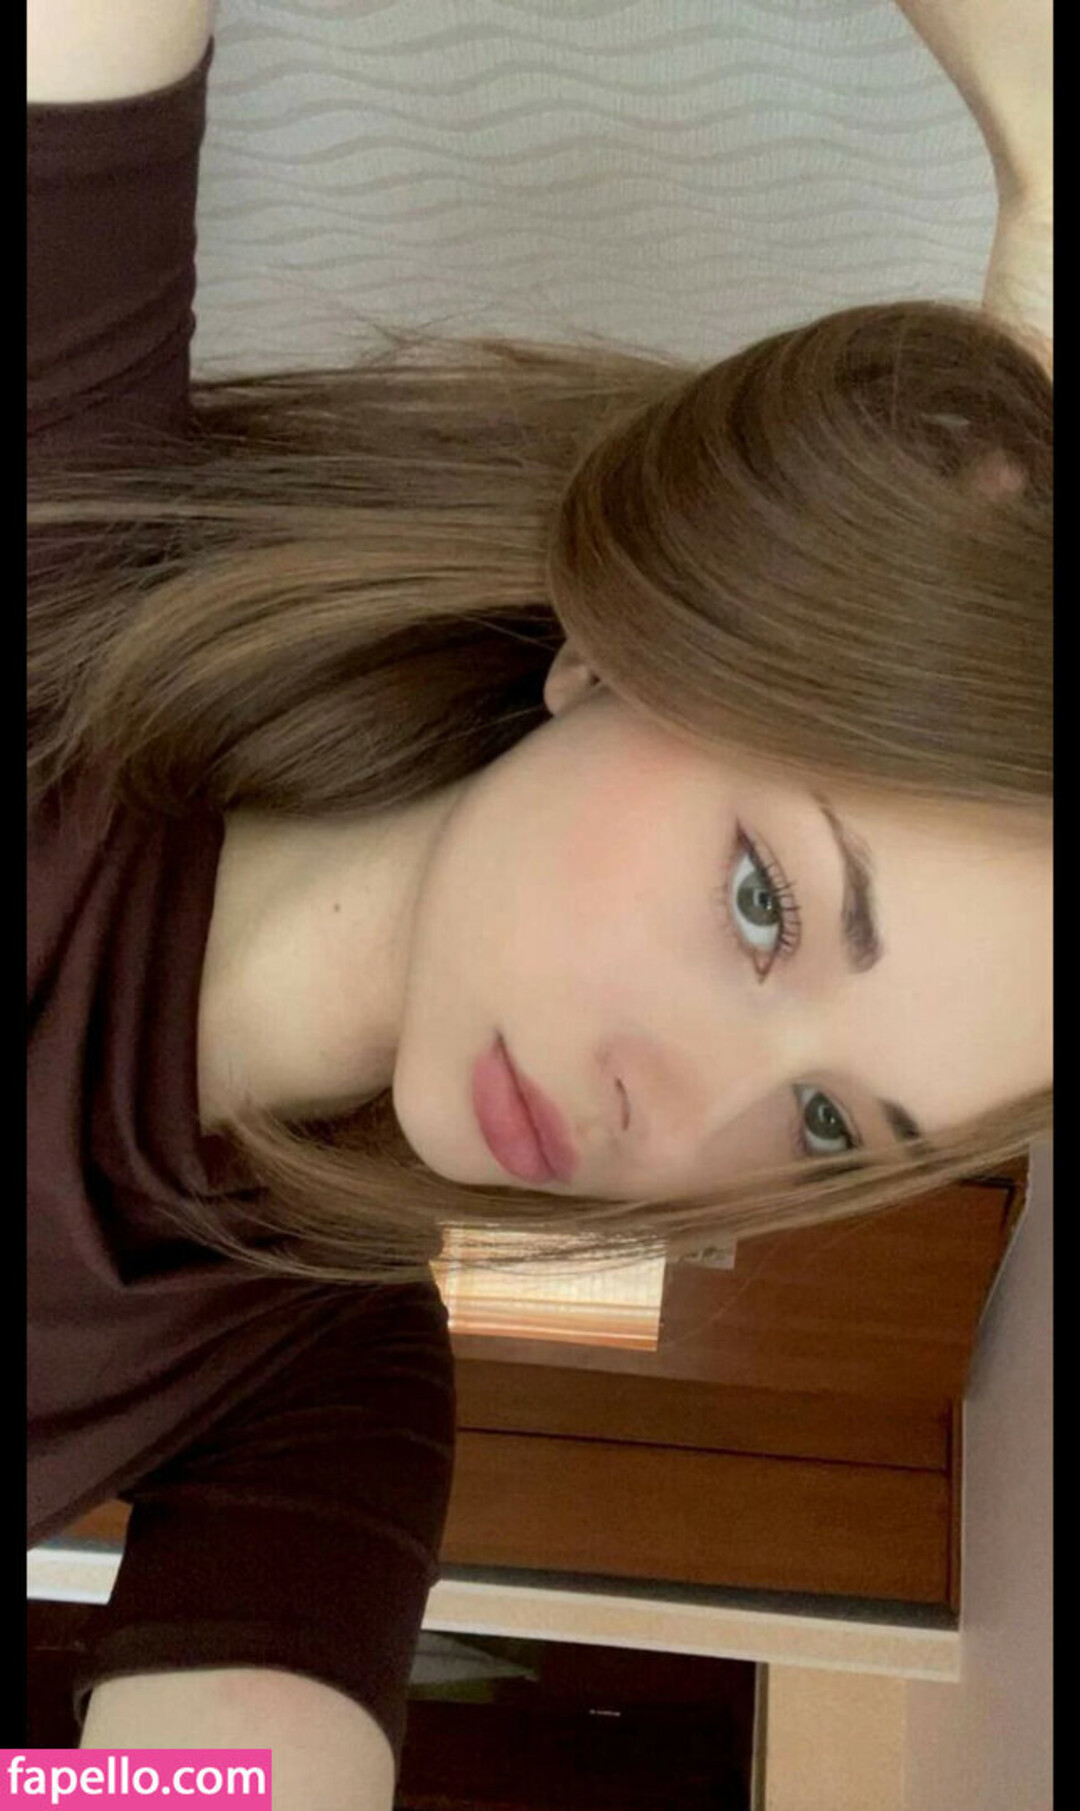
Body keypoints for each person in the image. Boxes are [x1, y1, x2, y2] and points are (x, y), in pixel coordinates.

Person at [27, 0, 1051, 1800]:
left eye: (826, 1119)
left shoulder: (311, 1384)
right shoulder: (64, 509)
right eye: (764, 904)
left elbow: (184, 1784)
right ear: (626, 646)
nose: (685, 1117)